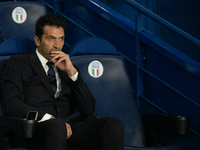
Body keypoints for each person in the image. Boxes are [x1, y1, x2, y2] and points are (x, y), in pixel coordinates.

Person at [1, 13, 124, 150]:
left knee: (114, 124)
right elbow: (11, 104)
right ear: (37, 40)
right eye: (50, 39)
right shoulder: (18, 63)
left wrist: (72, 73)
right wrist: (50, 118)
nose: (57, 45)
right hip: (38, 130)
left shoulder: (67, 66)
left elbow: (88, 109)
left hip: (69, 128)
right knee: (57, 126)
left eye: (61, 39)